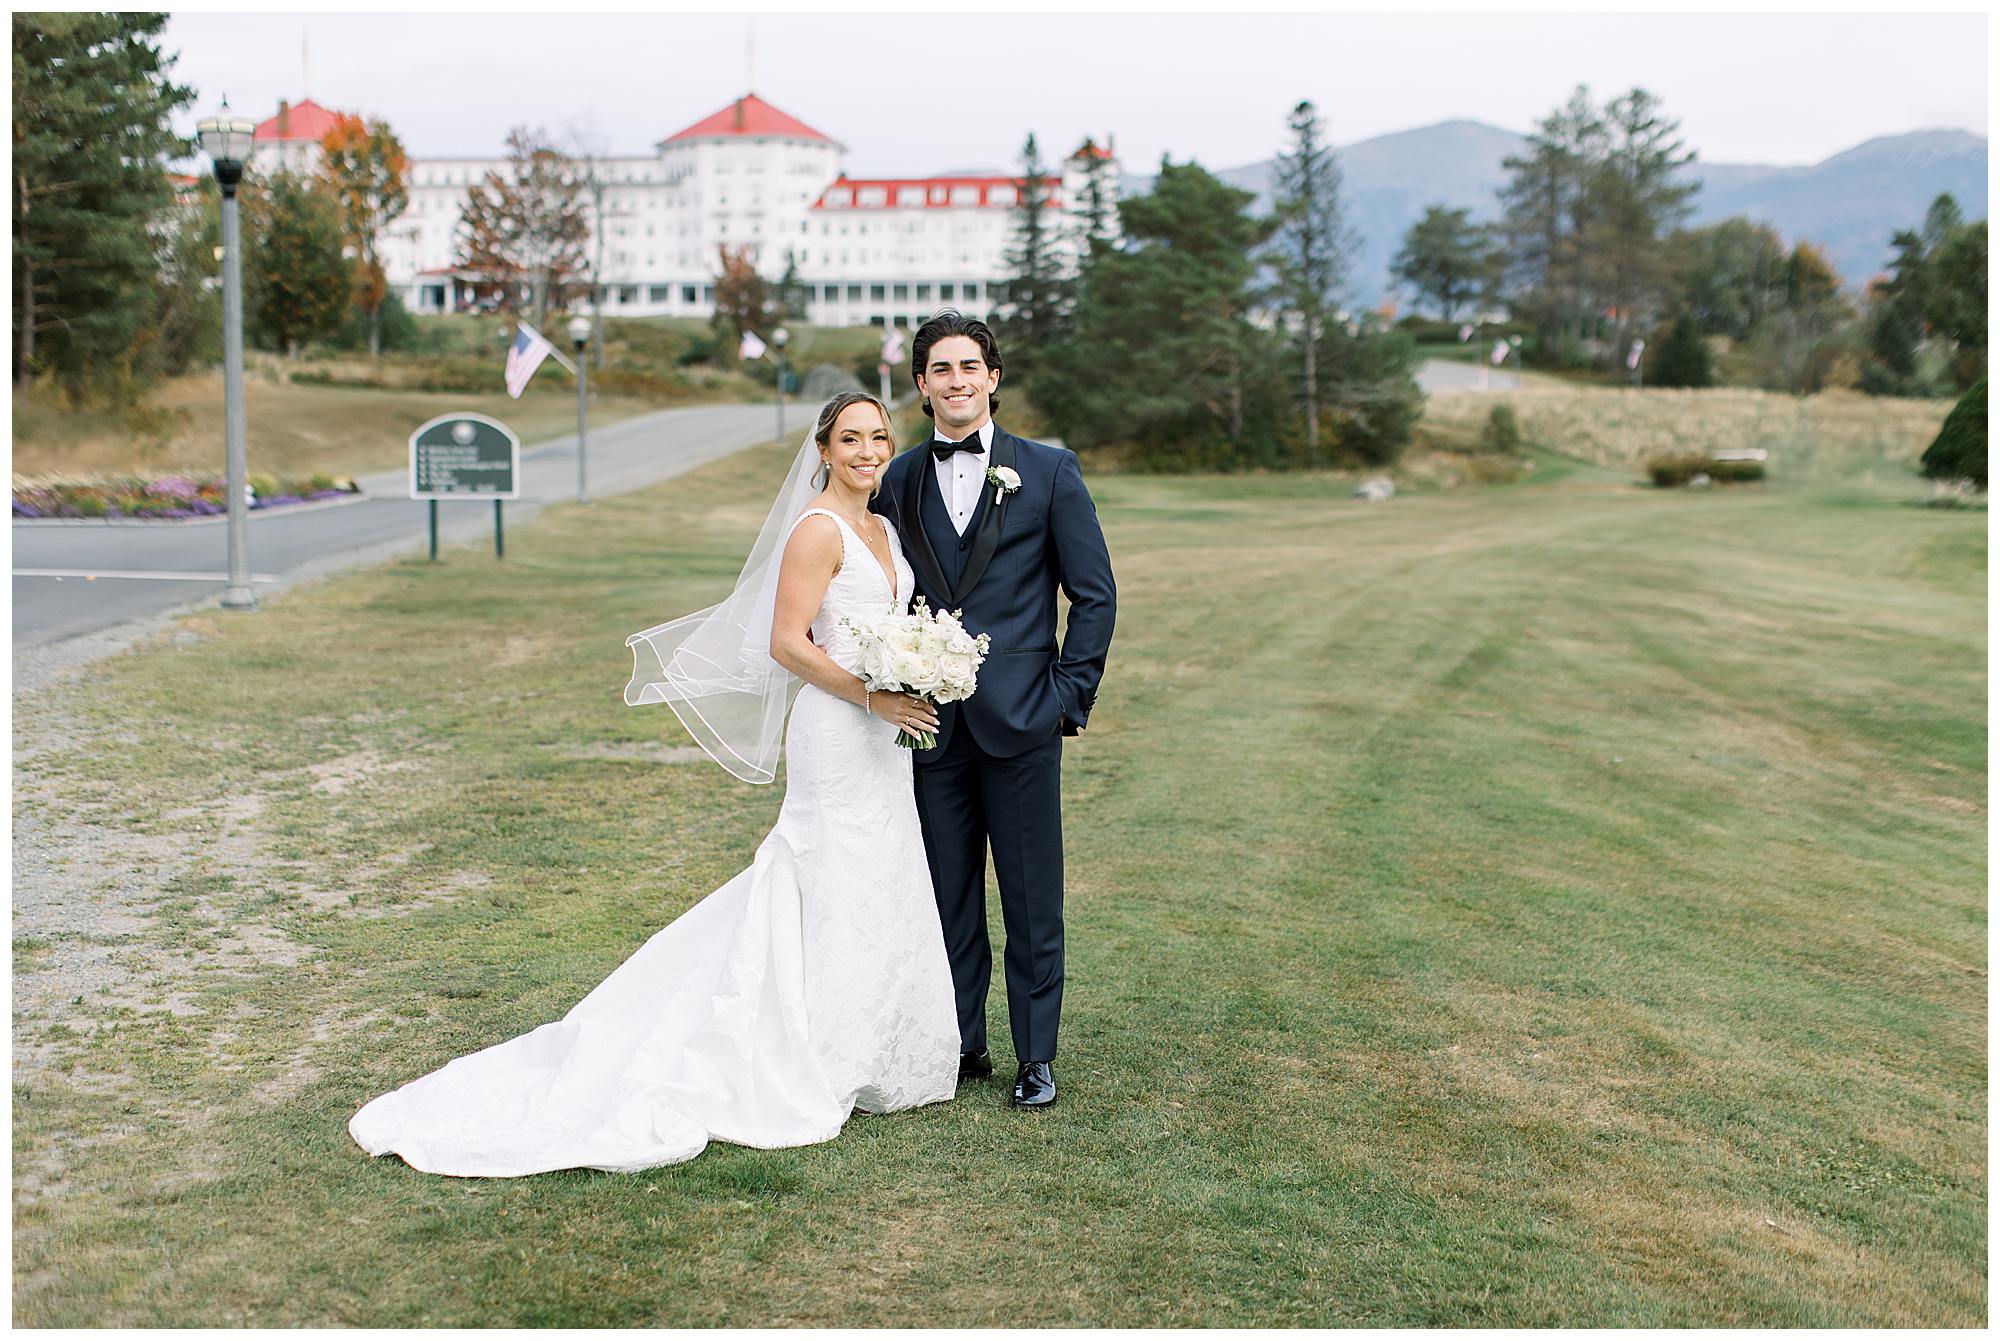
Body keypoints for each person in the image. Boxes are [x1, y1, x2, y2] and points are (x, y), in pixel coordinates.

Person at [348, 392, 960, 1176]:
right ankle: (814, 1055)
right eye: (851, 439)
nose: (869, 451)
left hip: (882, 739)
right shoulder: (817, 528)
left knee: (877, 879)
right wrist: (873, 693)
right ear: (824, 449)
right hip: (838, 732)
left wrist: (917, 667)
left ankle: (873, 1047)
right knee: (828, 876)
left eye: (879, 436)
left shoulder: (880, 525)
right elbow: (785, 643)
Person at [869, 310, 1117, 1109]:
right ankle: (961, 1042)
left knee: (1032, 896)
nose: (956, 381)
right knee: (946, 895)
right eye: (940, 369)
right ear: (921, 386)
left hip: (1022, 721)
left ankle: (1035, 1056)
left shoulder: (1047, 471)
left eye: (969, 366)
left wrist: (1065, 699)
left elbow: (1095, 594)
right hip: (931, 728)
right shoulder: (899, 478)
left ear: (994, 378)